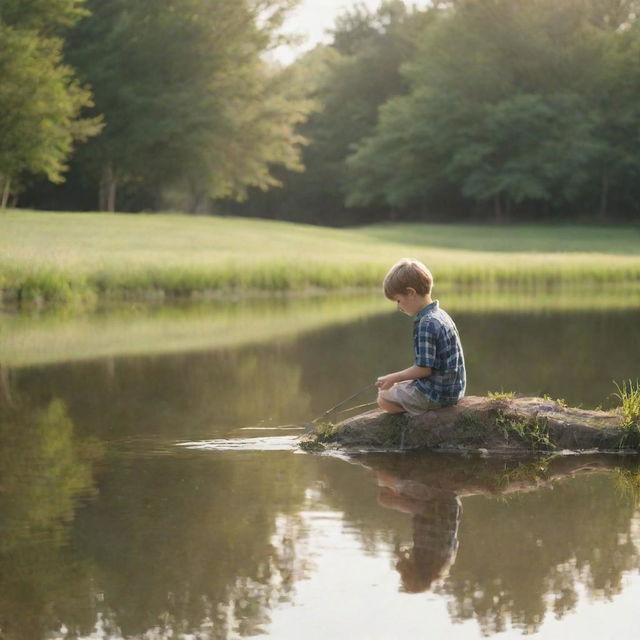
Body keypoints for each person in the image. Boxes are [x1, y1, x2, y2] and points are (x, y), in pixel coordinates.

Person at [375, 258, 466, 415]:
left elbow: (423, 370)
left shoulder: (426, 324)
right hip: (454, 389)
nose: (399, 307)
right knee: (399, 386)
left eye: (398, 300)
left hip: (438, 395)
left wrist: (393, 378)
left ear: (411, 293)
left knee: (383, 398)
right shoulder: (440, 314)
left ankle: (419, 414)